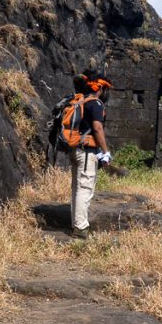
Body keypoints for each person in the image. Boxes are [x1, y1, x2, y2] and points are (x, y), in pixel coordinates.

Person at [69, 72, 112, 238]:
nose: (106, 93)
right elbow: (97, 128)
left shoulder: (80, 100)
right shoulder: (96, 104)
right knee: (85, 188)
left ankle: (76, 224)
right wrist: (105, 151)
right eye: (105, 89)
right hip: (87, 152)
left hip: (75, 149)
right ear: (99, 88)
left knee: (77, 188)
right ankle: (80, 228)